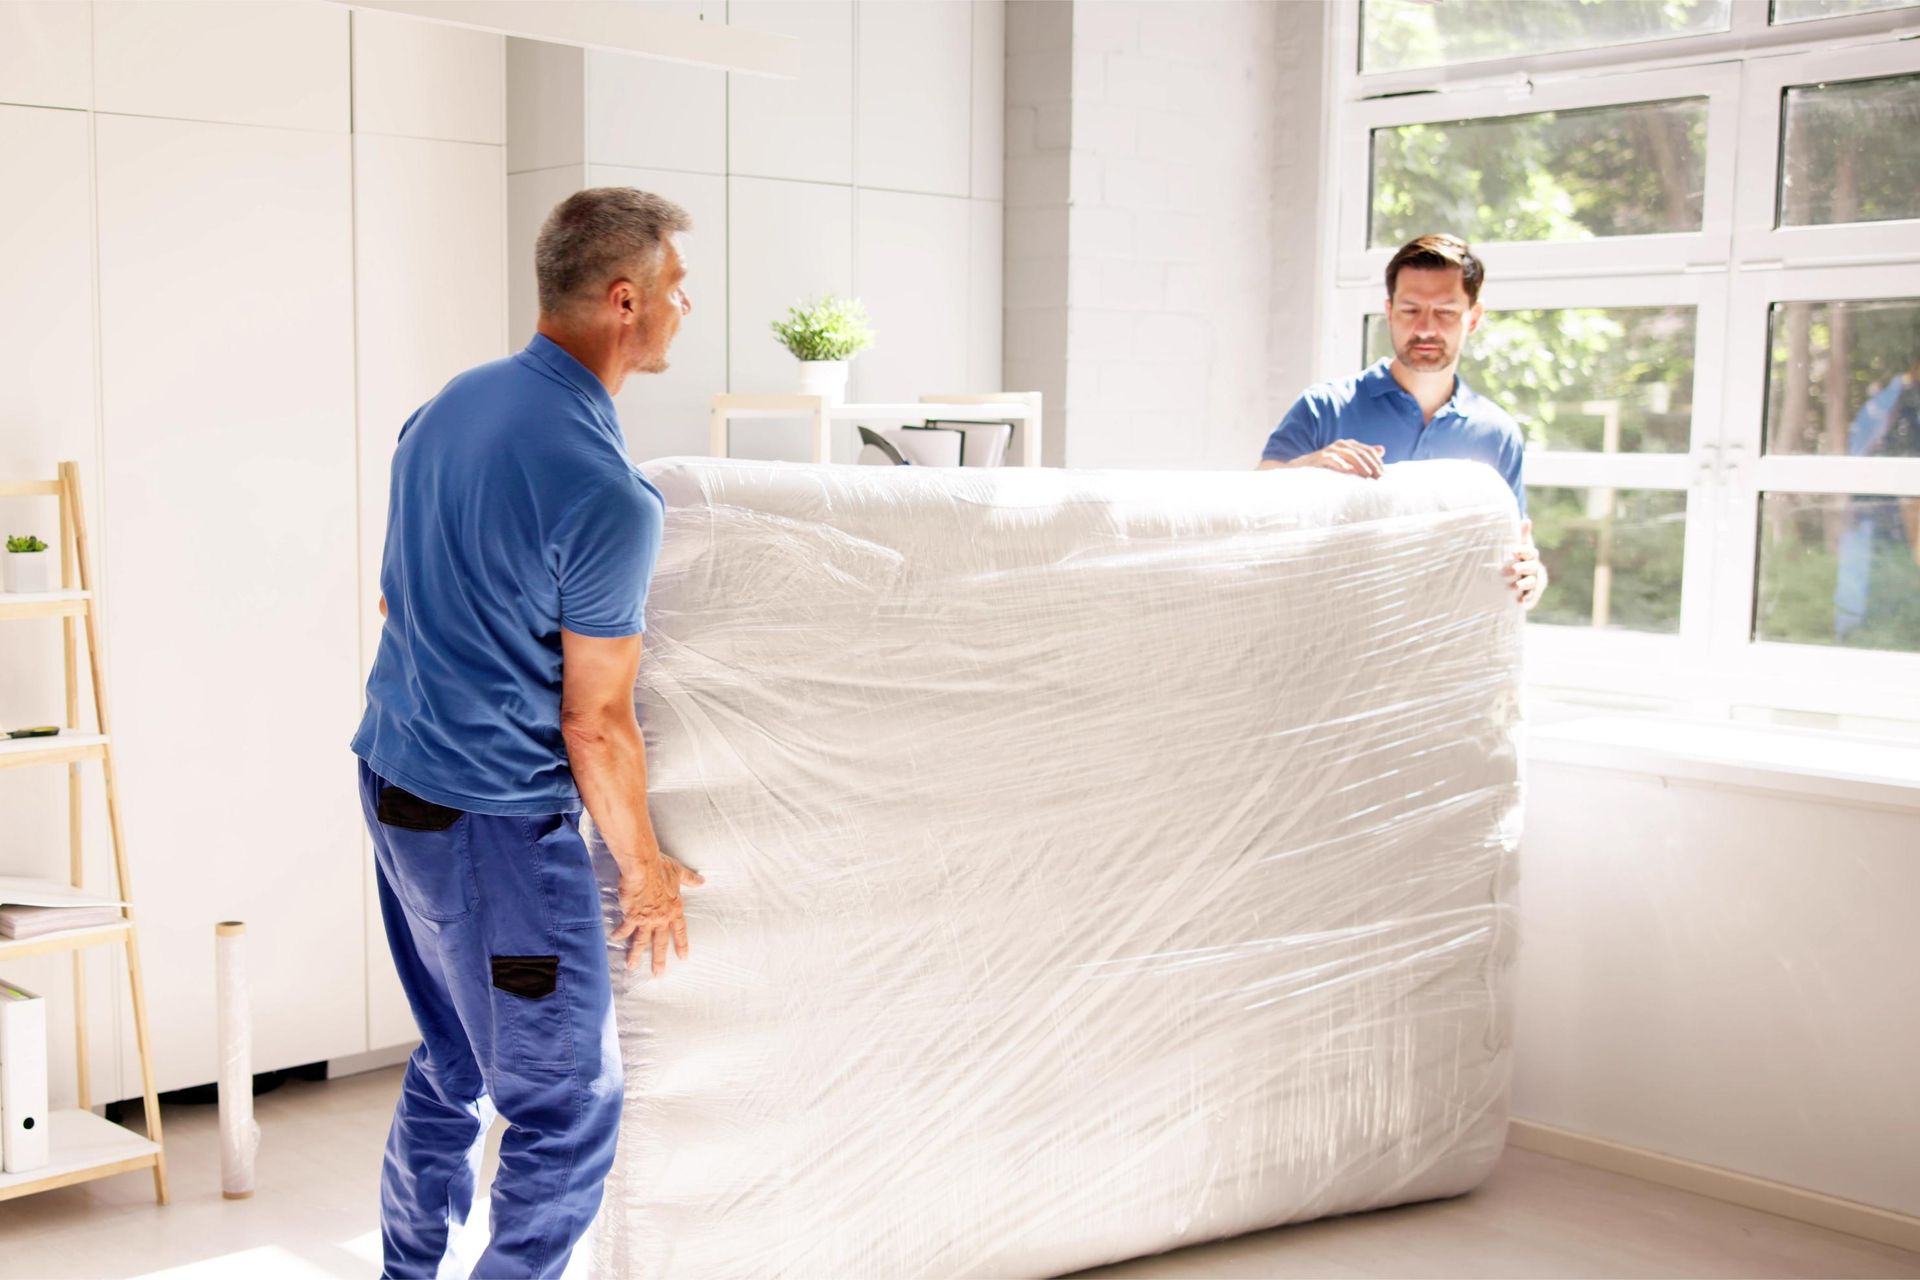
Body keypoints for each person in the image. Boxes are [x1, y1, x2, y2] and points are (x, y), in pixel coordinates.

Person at [350, 187, 704, 1279]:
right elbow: (595, 723)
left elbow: (395, 605)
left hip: (391, 778)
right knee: (568, 1106)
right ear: (623, 299)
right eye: (677, 290)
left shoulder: (447, 409)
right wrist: (643, 874)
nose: (686, 308)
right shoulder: (608, 493)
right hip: (493, 823)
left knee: (453, 1055)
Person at [1259, 234, 1546, 610]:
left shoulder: (1496, 433)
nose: (1425, 328)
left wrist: (1532, 577)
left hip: (1446, 648)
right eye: (1411, 310)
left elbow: (1513, 545)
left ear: (1473, 318)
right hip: (1330, 632)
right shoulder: (1326, 407)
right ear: (1390, 310)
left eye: (1444, 312)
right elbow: (1255, 508)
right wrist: (1309, 467)